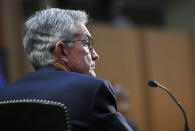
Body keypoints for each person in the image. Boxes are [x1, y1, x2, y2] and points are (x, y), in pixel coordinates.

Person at [0, 8, 133, 131]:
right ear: (62, 51)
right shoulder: (92, 90)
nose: (95, 55)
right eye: (87, 43)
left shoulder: (3, 96)